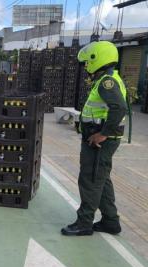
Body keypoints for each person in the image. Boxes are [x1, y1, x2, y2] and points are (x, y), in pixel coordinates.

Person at [61, 41, 128, 236]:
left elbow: (119, 108)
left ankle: (84, 223)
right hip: (101, 140)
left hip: (100, 142)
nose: (85, 67)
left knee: (90, 180)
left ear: (96, 59)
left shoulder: (107, 83)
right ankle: (110, 222)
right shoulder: (107, 79)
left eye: (86, 63)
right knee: (101, 180)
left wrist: (103, 134)